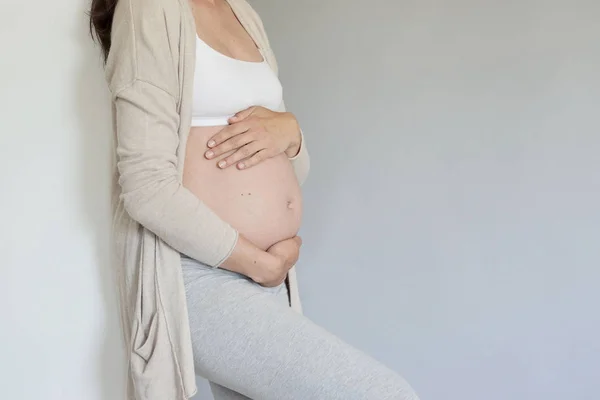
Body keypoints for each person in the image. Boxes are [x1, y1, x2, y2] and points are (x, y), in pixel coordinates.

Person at [90, 0, 420, 399]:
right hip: (200, 275)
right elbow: (145, 186)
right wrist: (255, 261)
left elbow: (283, 162)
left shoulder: (242, 12)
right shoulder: (150, 8)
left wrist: (293, 136)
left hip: (268, 279)